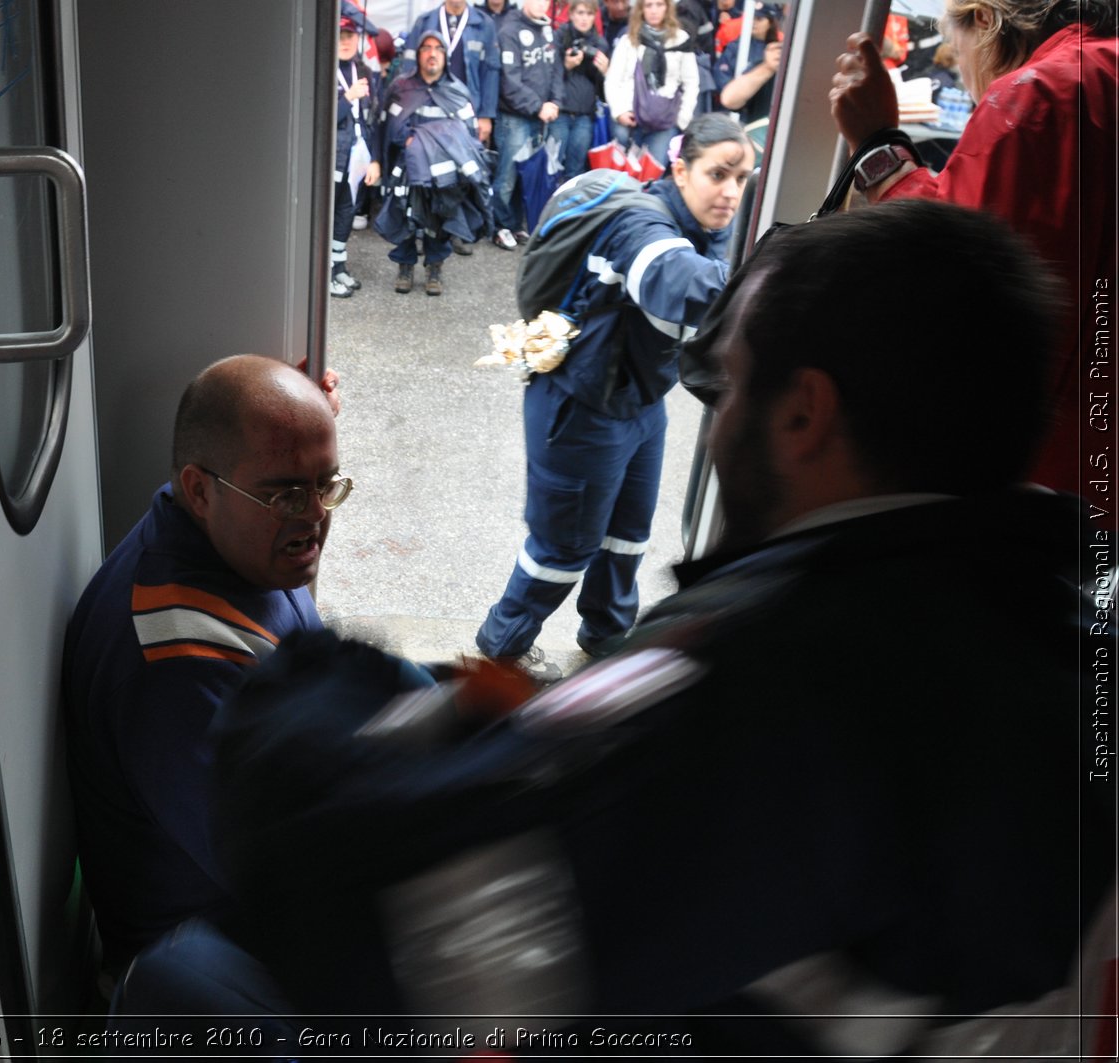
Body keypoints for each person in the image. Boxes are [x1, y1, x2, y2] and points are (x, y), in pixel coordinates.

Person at [215, 202, 1111, 1050]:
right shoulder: (1068, 608)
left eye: (729, 391)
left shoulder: (796, 689)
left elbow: (362, 908)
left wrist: (321, 694)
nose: (716, 426)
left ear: (804, 414)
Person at [62, 354, 349, 970]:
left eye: (326, 485)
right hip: (212, 969)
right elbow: (299, 883)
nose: (315, 516)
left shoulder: (227, 532)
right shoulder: (178, 661)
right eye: (286, 494)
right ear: (200, 489)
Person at [476, 113, 752, 679]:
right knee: (564, 547)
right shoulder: (641, 229)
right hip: (580, 408)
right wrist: (780, 281)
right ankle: (499, 647)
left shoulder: (698, 226)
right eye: (718, 174)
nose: (730, 192)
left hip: (639, 405)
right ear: (680, 168)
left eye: (742, 178)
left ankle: (606, 636)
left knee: (627, 536)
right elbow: (676, 281)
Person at [829, 0, 1117, 498]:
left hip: (1045, 478)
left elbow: (950, 270)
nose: (964, 75)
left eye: (957, 50)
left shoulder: (1040, 97)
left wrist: (878, 146)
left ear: (984, 22)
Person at [375, 28, 492, 295]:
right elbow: (388, 126)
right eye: (426, 48)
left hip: (443, 172)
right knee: (405, 214)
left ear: (445, 56)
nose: (432, 54)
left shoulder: (456, 90)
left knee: (440, 218)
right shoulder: (401, 88)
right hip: (407, 168)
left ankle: (435, 267)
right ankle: (405, 266)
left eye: (438, 49)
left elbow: (467, 135)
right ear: (418, 55)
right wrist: (407, 139)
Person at [399, 0, 504, 254]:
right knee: (426, 173)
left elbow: (491, 71)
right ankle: (422, 231)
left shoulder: (484, 23)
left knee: (459, 174)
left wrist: (486, 116)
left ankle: (456, 231)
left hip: (463, 110)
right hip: (426, 108)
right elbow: (407, 67)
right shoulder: (425, 22)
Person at [491, 0, 565, 248]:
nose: (540, 4)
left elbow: (556, 70)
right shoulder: (509, 30)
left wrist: (555, 101)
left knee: (527, 176)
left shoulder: (547, 30)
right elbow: (509, 82)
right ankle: (499, 226)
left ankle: (515, 225)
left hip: (541, 117)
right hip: (515, 117)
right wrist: (537, 105)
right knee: (507, 177)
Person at [604, 0, 701, 167]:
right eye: (649, 5)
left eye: (659, 5)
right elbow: (613, 79)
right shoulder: (628, 40)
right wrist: (619, 111)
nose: (654, 10)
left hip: (665, 121)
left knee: (651, 176)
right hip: (630, 119)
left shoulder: (680, 39)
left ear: (667, 8)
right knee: (624, 177)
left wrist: (681, 119)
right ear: (641, 9)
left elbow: (691, 83)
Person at [330, 16, 381, 299]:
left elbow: (373, 118)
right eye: (339, 37)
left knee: (346, 213)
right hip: (334, 157)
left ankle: (338, 267)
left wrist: (374, 159)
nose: (346, 42)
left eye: (350, 36)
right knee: (327, 213)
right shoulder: (324, 71)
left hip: (357, 154)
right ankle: (324, 273)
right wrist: (347, 97)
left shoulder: (362, 70)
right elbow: (322, 121)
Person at [554, 0, 613, 177]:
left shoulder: (600, 44)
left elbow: (603, 94)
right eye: (580, 13)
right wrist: (565, 66)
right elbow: (547, 77)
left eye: (589, 14)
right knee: (552, 166)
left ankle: (572, 205)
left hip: (585, 116)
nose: (584, 19)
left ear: (595, 16)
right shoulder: (560, 36)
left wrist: (605, 73)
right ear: (571, 14)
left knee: (576, 169)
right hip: (560, 112)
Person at [716, 1, 783, 124]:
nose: (753, 22)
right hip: (737, 113)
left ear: (770, 22)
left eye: (759, 18)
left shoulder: (778, 52)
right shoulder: (736, 47)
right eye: (751, 17)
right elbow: (723, 84)